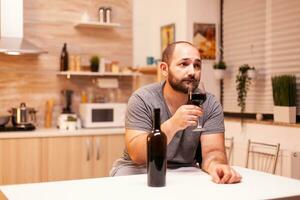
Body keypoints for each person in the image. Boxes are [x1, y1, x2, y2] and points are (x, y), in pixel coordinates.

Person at [110, 41, 242, 184]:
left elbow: (213, 153)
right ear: (164, 69)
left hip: (185, 172)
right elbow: (137, 155)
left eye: (197, 65)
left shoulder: (210, 104)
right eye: (184, 64)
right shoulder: (142, 99)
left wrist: (217, 165)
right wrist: (173, 125)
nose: (192, 72)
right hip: (138, 170)